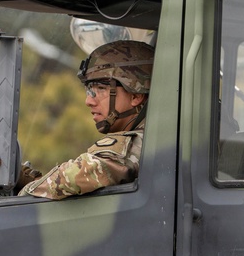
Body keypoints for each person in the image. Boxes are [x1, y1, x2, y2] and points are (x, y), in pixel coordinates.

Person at [18, 40, 154, 199]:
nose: (89, 101)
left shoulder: (135, 143)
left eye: (101, 89)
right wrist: (34, 180)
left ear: (136, 96)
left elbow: (74, 177)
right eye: (89, 90)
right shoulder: (153, 136)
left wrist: (25, 191)